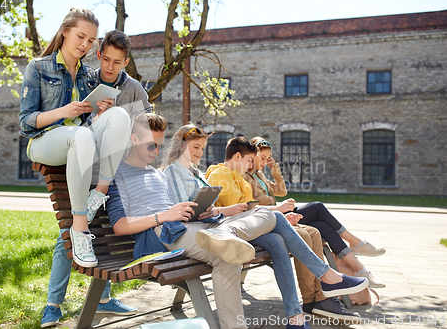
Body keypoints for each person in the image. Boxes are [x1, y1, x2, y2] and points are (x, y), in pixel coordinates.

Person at [162, 128, 367, 328]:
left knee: (286, 236)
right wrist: (221, 211)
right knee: (284, 222)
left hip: (220, 224)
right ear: (181, 146)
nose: (200, 151)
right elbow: (185, 208)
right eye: (196, 146)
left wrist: (214, 210)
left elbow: (224, 206)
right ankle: (325, 280)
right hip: (216, 229)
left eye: (202, 147)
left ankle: (296, 316)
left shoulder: (199, 173)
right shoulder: (193, 172)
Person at [19, 11, 139, 327]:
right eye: (80, 37)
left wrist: (100, 115)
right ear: (64, 33)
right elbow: (26, 122)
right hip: (46, 141)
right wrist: (65, 112)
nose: (84, 45)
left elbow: (88, 126)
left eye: (89, 41)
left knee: (119, 118)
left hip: (81, 148)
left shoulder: (88, 75)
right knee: (82, 134)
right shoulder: (39, 68)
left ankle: (98, 193)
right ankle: (80, 228)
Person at [244, 137, 386, 293]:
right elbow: (251, 207)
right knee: (317, 207)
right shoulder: (246, 177)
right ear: (251, 155)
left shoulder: (260, 175)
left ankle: (360, 269)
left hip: (279, 216)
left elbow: (282, 191)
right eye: (262, 158)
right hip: (271, 220)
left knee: (323, 227)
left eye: (267, 158)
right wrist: (280, 207)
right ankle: (356, 243)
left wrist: (274, 169)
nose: (264, 162)